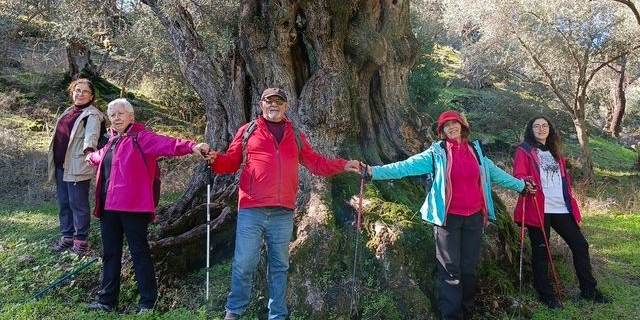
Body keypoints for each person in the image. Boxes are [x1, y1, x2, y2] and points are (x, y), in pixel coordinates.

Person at [362, 110, 533, 320]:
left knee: (469, 270)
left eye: (455, 123)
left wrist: (521, 186)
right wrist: (373, 172)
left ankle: (467, 313)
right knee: (451, 272)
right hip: (447, 220)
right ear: (441, 131)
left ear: (463, 126)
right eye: (446, 125)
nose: (451, 127)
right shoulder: (436, 153)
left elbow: (496, 175)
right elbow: (405, 167)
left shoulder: (476, 151)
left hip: (474, 218)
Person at [209, 87, 360, 320]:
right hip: (252, 208)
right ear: (261, 104)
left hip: (283, 212)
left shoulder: (296, 134)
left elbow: (315, 163)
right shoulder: (248, 131)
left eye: (279, 102)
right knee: (244, 262)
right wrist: (215, 159)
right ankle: (234, 311)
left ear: (286, 107)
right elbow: (230, 163)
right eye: (269, 101)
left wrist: (342, 164)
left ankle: (277, 314)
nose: (274, 105)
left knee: (279, 265)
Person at [85, 98, 210, 313]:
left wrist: (192, 147)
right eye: (112, 115)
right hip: (108, 209)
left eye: (120, 114)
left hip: (134, 208)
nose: (116, 118)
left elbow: (169, 144)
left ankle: (147, 303)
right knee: (110, 254)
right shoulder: (112, 141)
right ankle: (106, 301)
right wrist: (90, 157)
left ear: (131, 116)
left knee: (139, 253)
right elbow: (101, 157)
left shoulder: (142, 138)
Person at [513, 116, 611, 308]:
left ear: (550, 129)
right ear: (530, 130)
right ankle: (547, 295)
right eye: (536, 126)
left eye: (545, 126)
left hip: (560, 207)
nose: (541, 129)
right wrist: (526, 182)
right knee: (541, 251)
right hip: (538, 207)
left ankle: (589, 291)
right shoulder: (524, 150)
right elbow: (519, 174)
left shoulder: (555, 152)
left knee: (580, 245)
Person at [47, 78, 105, 254]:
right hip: (60, 165)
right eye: (77, 90)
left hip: (78, 164)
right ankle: (67, 236)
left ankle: (80, 241)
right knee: (64, 202)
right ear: (72, 92)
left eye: (85, 91)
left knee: (77, 203)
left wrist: (89, 151)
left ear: (91, 96)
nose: (80, 94)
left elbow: (91, 136)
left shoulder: (92, 115)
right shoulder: (68, 111)